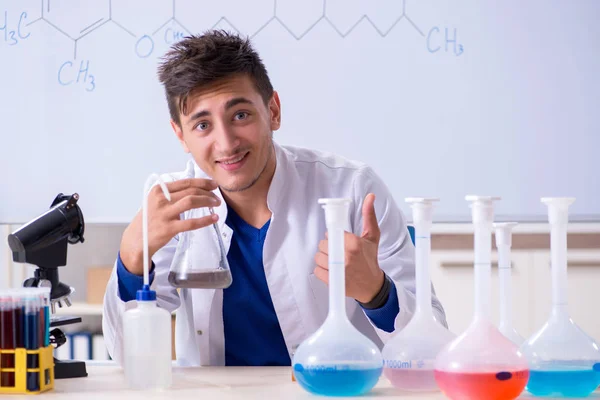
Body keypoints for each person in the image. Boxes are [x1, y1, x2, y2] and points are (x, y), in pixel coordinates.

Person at [102, 29, 447, 367]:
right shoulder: (168, 205)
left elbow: (431, 348)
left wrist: (378, 293)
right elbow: (125, 357)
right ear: (180, 134)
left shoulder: (352, 189)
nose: (226, 143)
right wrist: (132, 256)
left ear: (273, 111)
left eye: (240, 115)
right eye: (202, 125)